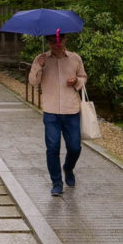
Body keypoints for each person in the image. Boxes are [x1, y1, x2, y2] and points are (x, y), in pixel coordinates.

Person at [28, 31, 87, 196]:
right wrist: (39, 66)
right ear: (48, 42)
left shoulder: (75, 58)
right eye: (53, 41)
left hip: (71, 109)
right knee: (52, 148)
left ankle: (68, 168)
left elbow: (83, 77)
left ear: (65, 40)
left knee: (75, 147)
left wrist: (77, 81)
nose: (57, 44)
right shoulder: (41, 59)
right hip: (51, 111)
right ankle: (56, 182)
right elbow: (33, 82)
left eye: (60, 40)